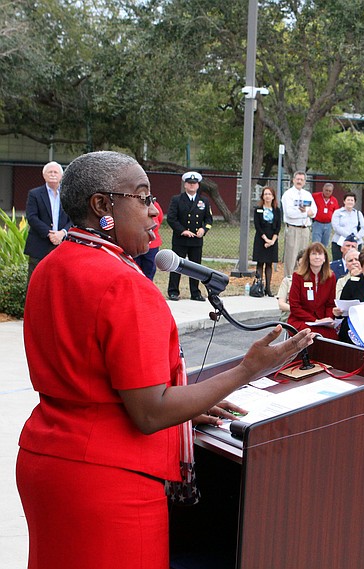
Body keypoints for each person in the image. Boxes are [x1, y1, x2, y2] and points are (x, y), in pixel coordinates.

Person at [17, 150, 314, 568]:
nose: (155, 210)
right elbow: (150, 411)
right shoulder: (123, 283)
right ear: (101, 205)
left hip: (47, 463)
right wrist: (248, 369)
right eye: (142, 197)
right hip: (109, 482)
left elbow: (96, 380)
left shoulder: (51, 266)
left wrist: (188, 406)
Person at [166, 171, 213, 301]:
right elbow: (171, 218)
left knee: (196, 267)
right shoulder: (177, 199)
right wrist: (183, 231)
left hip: (196, 241)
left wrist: (204, 229)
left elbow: (209, 220)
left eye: (194, 183)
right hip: (180, 239)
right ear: (185, 185)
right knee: (176, 266)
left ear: (198, 185)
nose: (192, 185)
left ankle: (195, 292)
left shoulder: (204, 200)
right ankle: (173, 291)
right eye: (189, 183)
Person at [23, 161, 71, 284]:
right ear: (44, 175)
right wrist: (50, 234)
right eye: (50, 172)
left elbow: (74, 217)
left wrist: (62, 233)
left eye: (55, 172)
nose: (53, 174)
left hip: (63, 243)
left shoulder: (68, 195)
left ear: (61, 176)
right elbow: (32, 217)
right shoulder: (34, 194)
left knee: (59, 282)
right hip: (39, 244)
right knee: (35, 281)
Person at [287, 242, 338, 340]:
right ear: (308, 257)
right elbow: (294, 306)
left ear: (324, 258)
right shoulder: (298, 276)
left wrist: (328, 319)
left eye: (320, 254)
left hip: (322, 321)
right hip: (301, 320)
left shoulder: (331, 277)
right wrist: (314, 320)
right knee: (310, 334)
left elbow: (330, 304)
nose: (317, 257)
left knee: (332, 337)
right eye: (314, 254)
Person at [282, 171, 316, 276]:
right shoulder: (288, 194)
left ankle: (300, 280)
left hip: (305, 229)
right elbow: (290, 213)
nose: (299, 181)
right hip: (293, 229)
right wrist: (306, 213)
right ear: (293, 180)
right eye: (297, 179)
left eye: (302, 180)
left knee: (303, 257)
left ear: (305, 182)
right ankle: (288, 280)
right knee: (291, 258)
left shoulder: (307, 195)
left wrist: (304, 212)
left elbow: (314, 212)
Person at [252, 187, 282, 297]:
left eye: (269, 194)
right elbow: (257, 226)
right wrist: (266, 239)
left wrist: (272, 241)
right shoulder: (258, 210)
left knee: (269, 263)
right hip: (261, 238)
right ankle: (259, 286)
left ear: (273, 196)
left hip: (273, 238)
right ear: (262, 196)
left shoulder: (277, 210)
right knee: (260, 263)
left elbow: (278, 226)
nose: (267, 196)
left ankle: (268, 288)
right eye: (265, 194)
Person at [331, 192, 364, 261]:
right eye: (348, 200)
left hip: (355, 242)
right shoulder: (338, 212)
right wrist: (349, 236)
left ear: (354, 202)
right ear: (344, 201)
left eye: (352, 200)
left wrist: (356, 237)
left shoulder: (358, 213)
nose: (350, 202)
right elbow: (336, 227)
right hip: (339, 242)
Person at [133, 199, 164, 280]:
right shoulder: (133, 203)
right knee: (135, 268)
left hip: (152, 245)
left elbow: (159, 218)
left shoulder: (154, 204)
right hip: (136, 243)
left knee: (150, 269)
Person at [276, 251, 302, 323]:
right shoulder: (288, 280)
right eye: (300, 264)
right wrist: (298, 310)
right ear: (297, 264)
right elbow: (281, 304)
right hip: (290, 314)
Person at [311, 182, 338, 247]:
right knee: (316, 244)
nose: (327, 192)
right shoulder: (315, 196)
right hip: (317, 223)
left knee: (325, 244)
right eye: (326, 190)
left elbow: (336, 212)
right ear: (323, 189)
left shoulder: (334, 200)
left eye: (329, 191)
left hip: (328, 224)